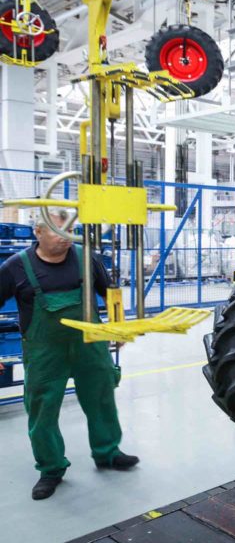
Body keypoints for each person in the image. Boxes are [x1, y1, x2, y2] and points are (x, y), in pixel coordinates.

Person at [0, 210, 138, 500]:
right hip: (44, 352)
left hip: (90, 345)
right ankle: (51, 468)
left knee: (101, 398)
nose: (66, 239)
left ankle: (108, 452)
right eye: (57, 232)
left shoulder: (86, 257)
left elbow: (110, 292)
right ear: (38, 232)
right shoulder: (16, 266)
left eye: (70, 232)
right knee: (42, 409)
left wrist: (119, 327)